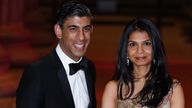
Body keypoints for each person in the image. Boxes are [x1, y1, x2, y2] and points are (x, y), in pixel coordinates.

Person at [16, 2, 96, 108]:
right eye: (73, 29)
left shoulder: (89, 68)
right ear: (59, 31)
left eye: (86, 29)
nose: (81, 37)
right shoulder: (37, 73)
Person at [101, 18, 184, 108]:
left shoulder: (172, 89)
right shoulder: (114, 89)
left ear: (155, 48)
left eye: (147, 43)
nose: (140, 51)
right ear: (126, 51)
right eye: (133, 44)